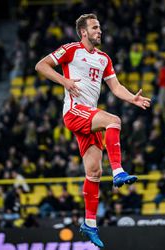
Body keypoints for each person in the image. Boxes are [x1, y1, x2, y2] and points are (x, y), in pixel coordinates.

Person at [35, 13, 151, 248]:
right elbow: (40, 65)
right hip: (74, 112)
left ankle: (89, 224)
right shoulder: (70, 49)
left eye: (100, 27)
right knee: (114, 121)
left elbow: (116, 87)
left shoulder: (104, 58)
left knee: (94, 172)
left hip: (89, 115)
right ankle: (118, 171)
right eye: (95, 28)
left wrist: (132, 99)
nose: (100, 31)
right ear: (83, 32)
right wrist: (64, 81)